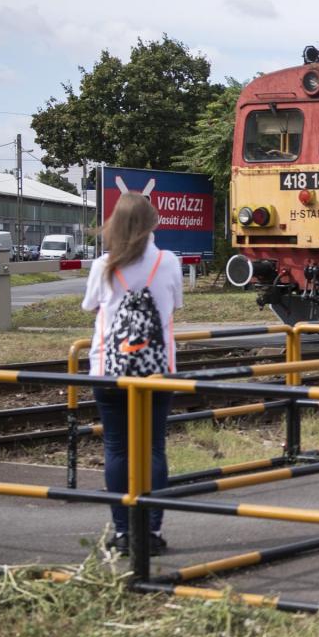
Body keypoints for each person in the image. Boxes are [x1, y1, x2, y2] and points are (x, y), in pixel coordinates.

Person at [81, 193, 184, 555]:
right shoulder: (169, 263)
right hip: (157, 372)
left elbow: (90, 306)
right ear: (152, 223)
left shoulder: (103, 266)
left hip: (109, 371)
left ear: (115, 224)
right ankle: (150, 532)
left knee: (116, 449)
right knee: (154, 448)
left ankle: (123, 532)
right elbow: (175, 306)